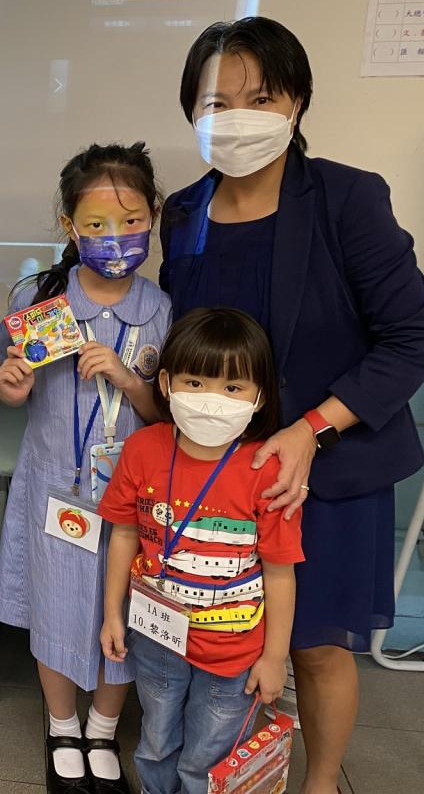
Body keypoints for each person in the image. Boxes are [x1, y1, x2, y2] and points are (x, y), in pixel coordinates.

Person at [160, 18, 424, 794]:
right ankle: (218, 772)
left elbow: (411, 340)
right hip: (217, 470)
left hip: (327, 471)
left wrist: (313, 429)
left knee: (315, 646)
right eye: (217, 102)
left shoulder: (347, 199)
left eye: (261, 98)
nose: (238, 117)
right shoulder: (183, 212)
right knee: (219, 636)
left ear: (298, 102)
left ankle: (318, 783)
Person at [0, 143, 171, 794]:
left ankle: (102, 728)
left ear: (153, 217)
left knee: (123, 607)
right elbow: (11, 382)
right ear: (69, 226)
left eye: (131, 221)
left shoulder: (162, 310)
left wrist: (129, 378)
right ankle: (62, 726)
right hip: (55, 491)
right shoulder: (40, 299)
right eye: (96, 224)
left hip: (134, 501)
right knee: (58, 606)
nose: (115, 236)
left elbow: (166, 415)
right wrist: (13, 385)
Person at [99, 307, 303, 794]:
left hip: (232, 652)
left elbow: (279, 572)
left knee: (209, 758)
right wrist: (112, 614)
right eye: (194, 382)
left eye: (232, 387)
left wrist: (275, 658)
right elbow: (123, 534)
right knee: (155, 741)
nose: (212, 400)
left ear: (259, 396)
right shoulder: (142, 449)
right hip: (156, 637)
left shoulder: (266, 470)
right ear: (166, 384)